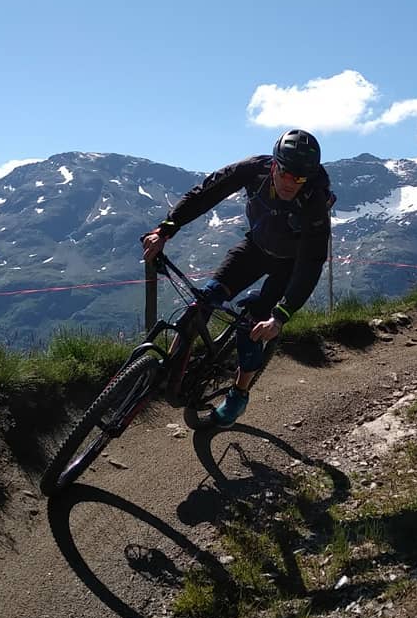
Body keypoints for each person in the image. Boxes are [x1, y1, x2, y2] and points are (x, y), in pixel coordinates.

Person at [142, 129, 332, 428]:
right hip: (254, 248)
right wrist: (165, 229)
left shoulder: (314, 201)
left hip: (290, 265)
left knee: (252, 329)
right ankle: (172, 371)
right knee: (200, 306)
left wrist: (281, 315)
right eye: (285, 174)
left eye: (299, 179)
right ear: (274, 165)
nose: (289, 183)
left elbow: (311, 263)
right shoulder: (253, 168)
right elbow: (205, 194)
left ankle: (239, 394)